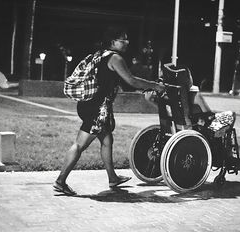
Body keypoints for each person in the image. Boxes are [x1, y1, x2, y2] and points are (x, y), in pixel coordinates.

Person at [54, 26, 166, 196]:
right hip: (98, 109)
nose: (127, 42)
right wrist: (155, 86)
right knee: (79, 144)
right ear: (113, 42)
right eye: (123, 39)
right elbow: (132, 81)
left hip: (89, 104)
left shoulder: (99, 55)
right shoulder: (115, 58)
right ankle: (60, 181)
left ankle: (113, 178)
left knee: (107, 139)